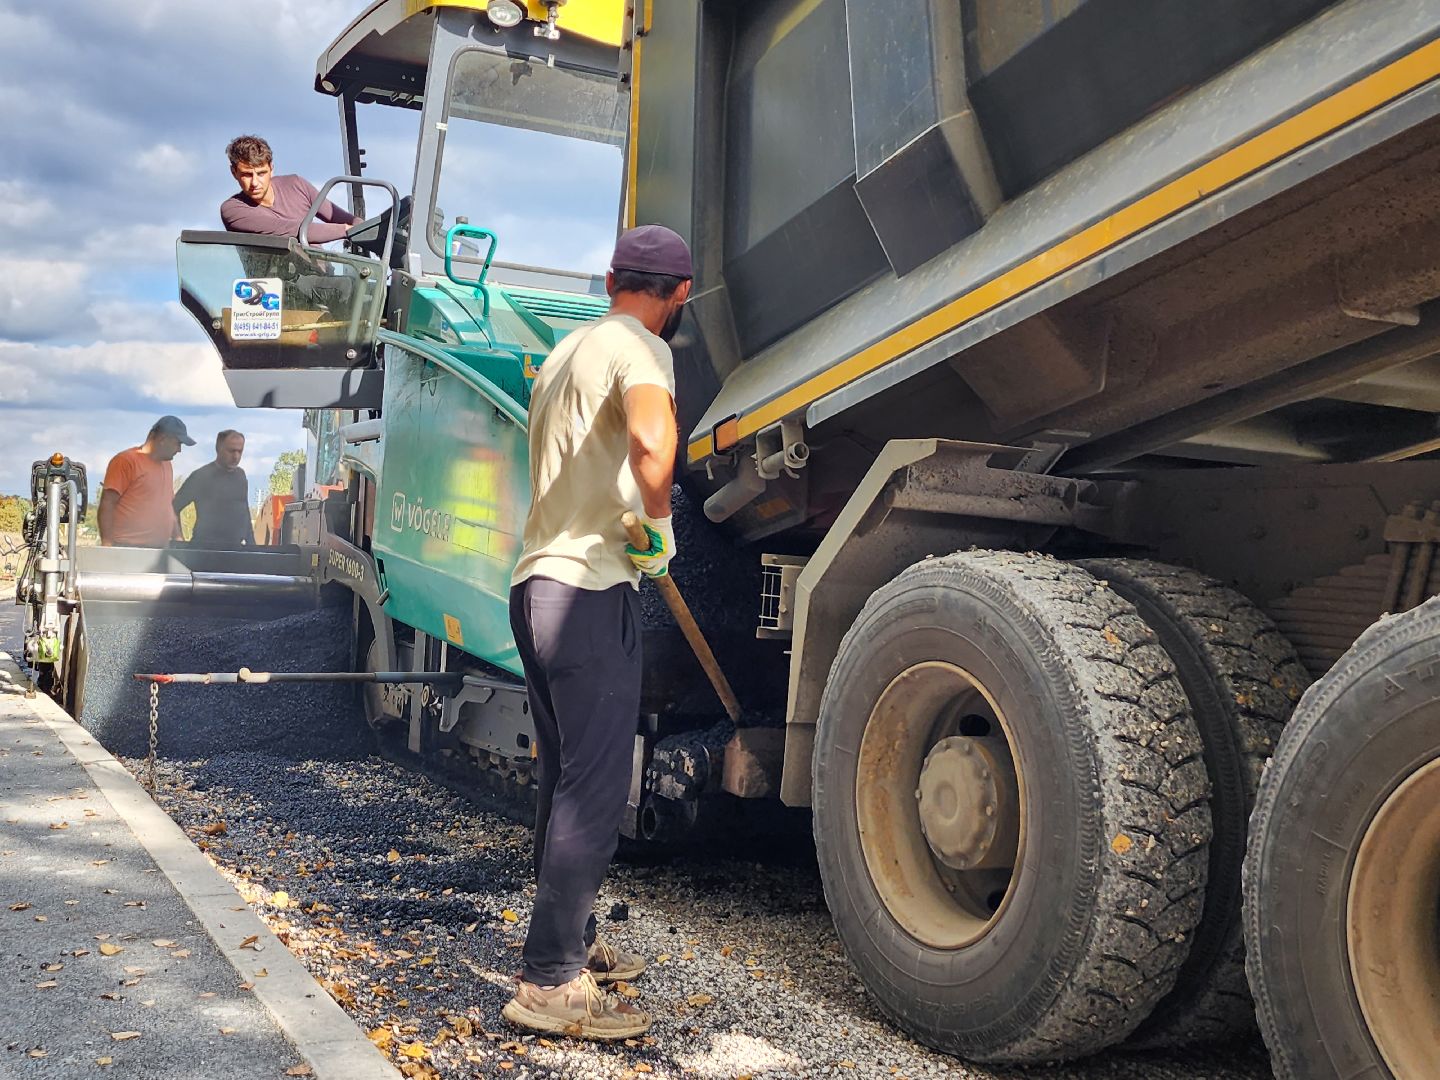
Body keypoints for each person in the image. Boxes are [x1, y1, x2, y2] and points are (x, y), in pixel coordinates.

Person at [503, 225, 693, 1040]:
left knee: (564, 778)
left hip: (535, 584)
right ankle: (548, 984)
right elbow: (652, 441)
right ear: (679, 295)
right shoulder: (642, 351)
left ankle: (572, 946)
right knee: (594, 787)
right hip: (588, 591)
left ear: (611, 276)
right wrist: (660, 522)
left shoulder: (564, 352)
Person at [219, 134, 357, 243]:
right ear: (234, 172)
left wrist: (368, 229)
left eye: (261, 173)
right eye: (247, 175)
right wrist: (345, 230)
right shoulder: (233, 210)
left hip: (324, 275)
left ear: (271, 168)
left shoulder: (296, 185)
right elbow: (293, 230)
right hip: (276, 278)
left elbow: (344, 218)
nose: (255, 182)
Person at [98, 416, 196, 548]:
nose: (179, 450)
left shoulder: (167, 465)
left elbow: (168, 506)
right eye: (178, 443)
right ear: (162, 439)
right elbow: (107, 503)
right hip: (127, 549)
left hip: (159, 550)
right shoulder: (126, 461)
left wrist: (178, 539)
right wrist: (107, 544)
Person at [173, 430, 252, 549]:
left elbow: (245, 512)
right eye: (231, 451)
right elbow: (173, 508)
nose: (236, 456)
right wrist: (179, 541)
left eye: (239, 451)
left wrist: (253, 548)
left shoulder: (240, 476)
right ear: (218, 448)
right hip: (205, 551)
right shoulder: (201, 476)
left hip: (235, 550)